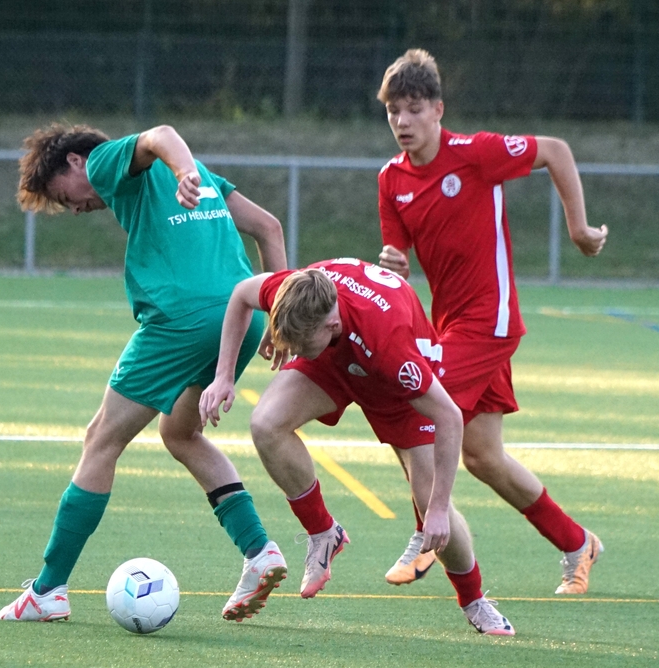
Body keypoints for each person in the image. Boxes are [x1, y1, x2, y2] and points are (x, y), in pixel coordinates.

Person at [0, 123, 288, 623]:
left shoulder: (104, 161)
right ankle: (260, 551)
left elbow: (161, 134)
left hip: (182, 320)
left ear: (74, 162)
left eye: (64, 197)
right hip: (243, 316)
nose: (75, 209)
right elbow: (269, 227)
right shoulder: (205, 180)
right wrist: (277, 310)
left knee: (101, 439)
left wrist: (184, 171)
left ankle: (48, 590)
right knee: (180, 433)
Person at [375, 49, 606, 594]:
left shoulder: (475, 153)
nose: (402, 121)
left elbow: (555, 150)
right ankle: (577, 543)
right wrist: (393, 265)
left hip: (491, 321)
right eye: (393, 111)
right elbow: (395, 258)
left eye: (413, 109)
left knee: (415, 406)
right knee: (483, 456)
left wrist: (578, 229)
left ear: (438, 110)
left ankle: (425, 531)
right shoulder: (390, 179)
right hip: (450, 326)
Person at [199, 258, 515, 635]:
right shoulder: (296, 291)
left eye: (301, 343)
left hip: (393, 385)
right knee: (266, 424)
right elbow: (241, 294)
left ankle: (474, 600)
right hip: (335, 360)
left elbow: (449, 416)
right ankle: (323, 533)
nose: (295, 349)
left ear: (331, 324)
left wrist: (438, 508)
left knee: (429, 500)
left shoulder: (390, 347)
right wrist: (223, 376)